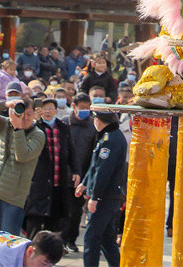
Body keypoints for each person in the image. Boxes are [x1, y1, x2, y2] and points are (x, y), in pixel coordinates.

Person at [0, 94, 45, 236]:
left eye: (29, 114)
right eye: (21, 113)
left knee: (7, 242)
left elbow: (22, 155)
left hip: (12, 198)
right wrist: (5, 104)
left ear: (34, 114)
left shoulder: (38, 135)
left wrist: (18, 129)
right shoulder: (5, 124)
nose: (24, 118)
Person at [76, 106, 127, 267]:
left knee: (91, 237)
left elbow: (103, 171)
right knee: (106, 239)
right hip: (109, 196)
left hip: (105, 197)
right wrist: (84, 183)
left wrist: (95, 196)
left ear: (98, 120)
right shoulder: (108, 137)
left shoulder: (110, 140)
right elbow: (95, 166)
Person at [24, 97, 70, 240]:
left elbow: (71, 152)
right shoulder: (33, 128)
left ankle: (48, 254)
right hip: (37, 183)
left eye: (51, 108)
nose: (47, 111)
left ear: (56, 110)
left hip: (58, 182)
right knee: (34, 221)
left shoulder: (63, 128)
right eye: (44, 108)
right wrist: (35, 123)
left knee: (54, 222)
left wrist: (76, 171)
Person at [62, 93, 96, 255]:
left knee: (76, 211)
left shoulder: (92, 126)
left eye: (87, 108)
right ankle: (59, 240)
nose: (84, 111)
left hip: (82, 175)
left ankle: (71, 240)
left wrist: (88, 178)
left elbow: (93, 153)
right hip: (63, 174)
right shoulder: (64, 123)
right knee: (62, 209)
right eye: (81, 108)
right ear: (73, 106)